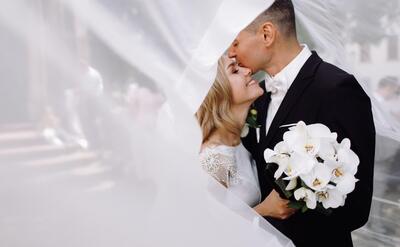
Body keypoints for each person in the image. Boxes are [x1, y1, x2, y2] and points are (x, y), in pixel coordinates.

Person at [228, 0, 376, 246]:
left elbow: (357, 208)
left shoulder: (337, 89)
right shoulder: (257, 97)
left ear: (267, 34)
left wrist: (301, 198)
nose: (231, 53)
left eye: (235, 42)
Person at [196, 55, 294, 218]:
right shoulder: (214, 160)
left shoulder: (237, 141)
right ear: (218, 93)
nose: (248, 71)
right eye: (235, 70)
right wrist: (264, 210)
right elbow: (205, 231)